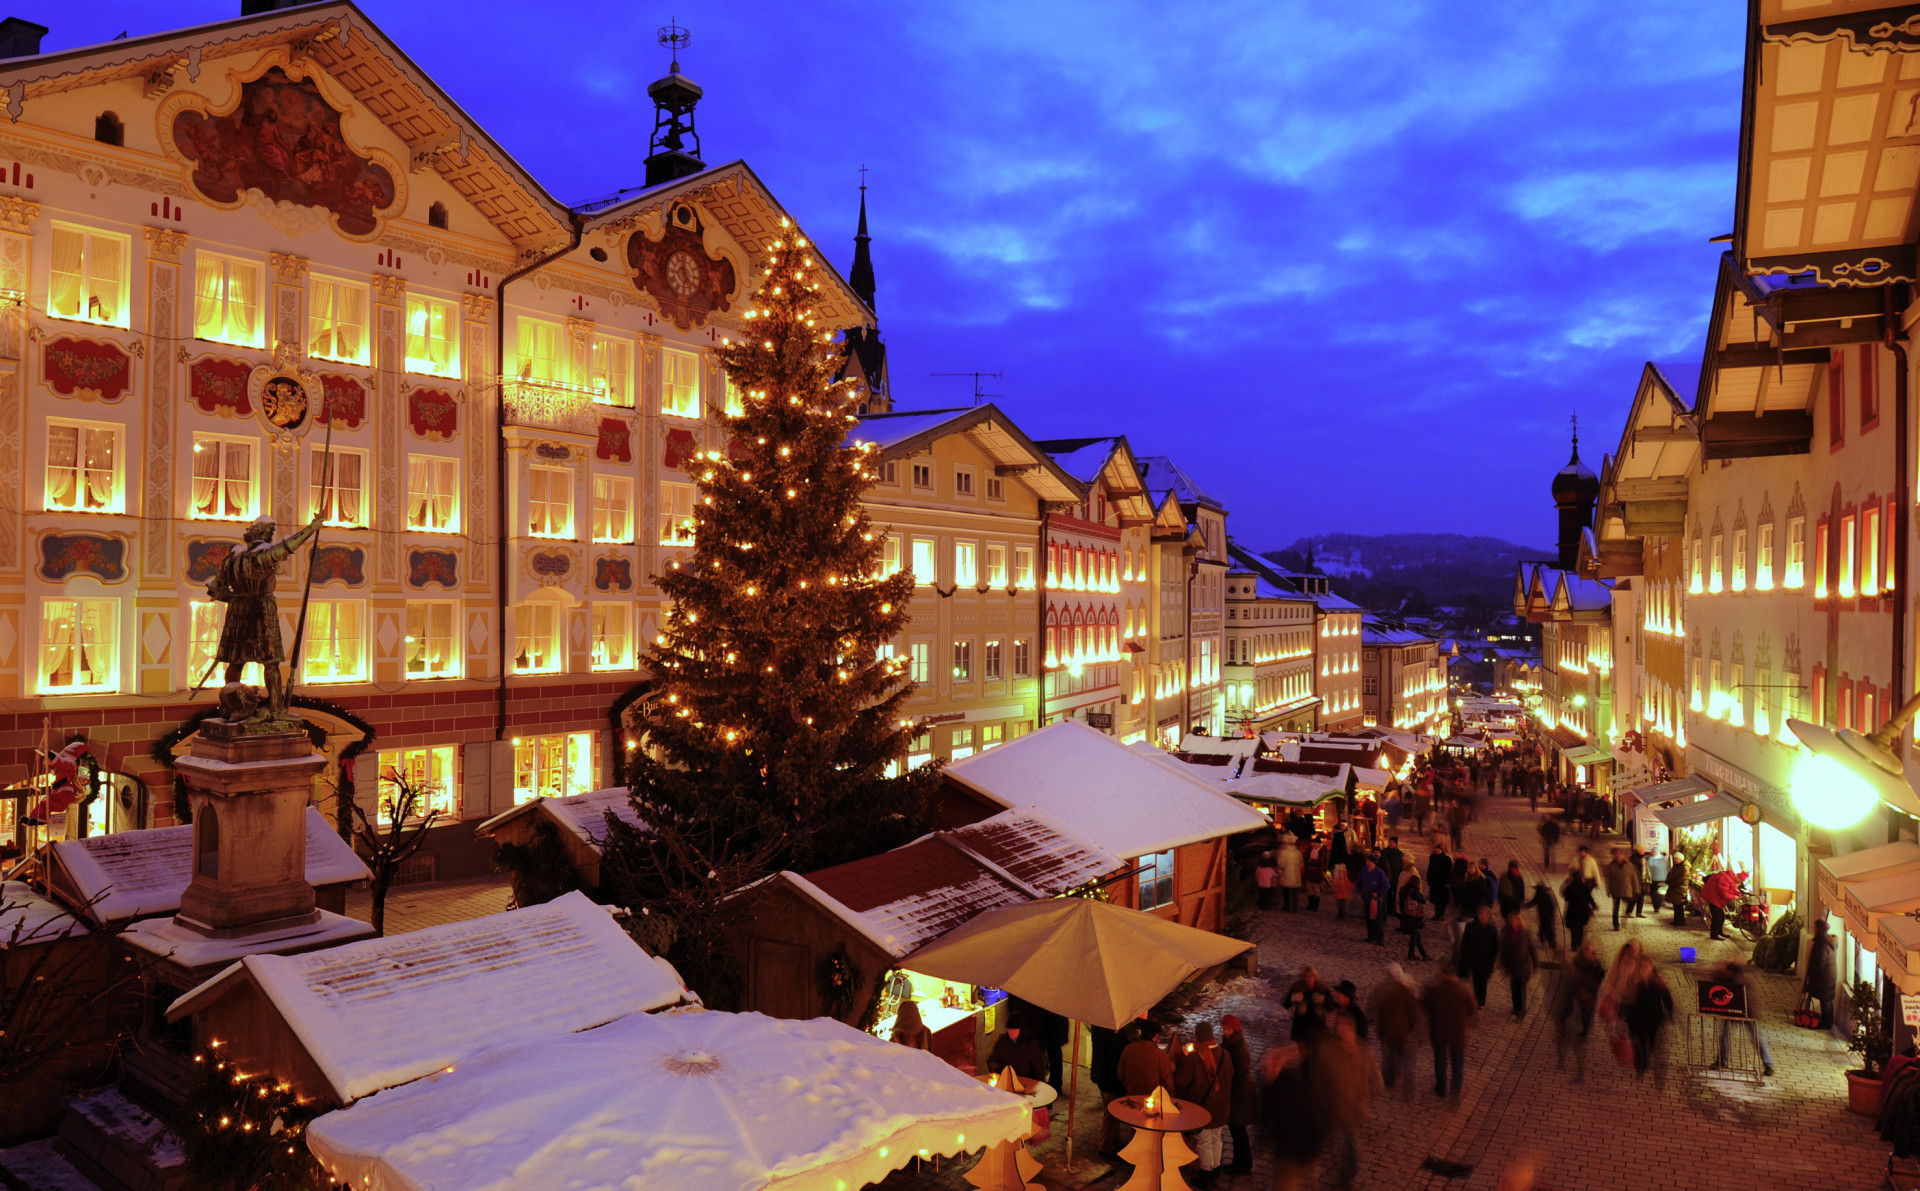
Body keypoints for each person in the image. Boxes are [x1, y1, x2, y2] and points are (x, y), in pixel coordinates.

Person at [1311, 1013, 1379, 1190]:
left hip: (1355, 1107)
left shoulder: (1363, 1050)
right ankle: (1345, 1178)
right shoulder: (1327, 1053)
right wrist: (1324, 1103)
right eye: (1342, 1031)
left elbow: (1374, 1076)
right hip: (1336, 1108)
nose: (1345, 1034)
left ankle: (1351, 1170)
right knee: (1341, 1146)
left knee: (1354, 1146)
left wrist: (1369, 1092)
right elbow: (1318, 1081)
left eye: (1348, 1031)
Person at [1174, 1022, 1233, 1188]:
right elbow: (1231, 1076)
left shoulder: (1194, 1058)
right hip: (1222, 1107)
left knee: (1204, 1142)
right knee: (1217, 1138)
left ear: (1198, 1037)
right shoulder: (1225, 1054)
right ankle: (1215, 1170)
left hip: (1203, 1109)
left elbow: (1181, 1080)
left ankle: (1206, 1176)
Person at [1260, 1040, 1324, 1191]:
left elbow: (1306, 1120)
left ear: (1277, 1067)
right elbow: (1266, 1115)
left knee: (1298, 1184)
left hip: (1299, 1149)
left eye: (1265, 1067)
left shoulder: (1291, 1089)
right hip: (1291, 1150)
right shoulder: (1269, 1086)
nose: (1261, 1070)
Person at [1550, 940, 1606, 1082]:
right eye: (1585, 948)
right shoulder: (1575, 963)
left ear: (1593, 951)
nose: (1587, 950)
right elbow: (1563, 987)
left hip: (1586, 1006)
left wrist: (1579, 977)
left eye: (1589, 948)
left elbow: (1598, 985)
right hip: (1572, 1007)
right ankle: (1563, 1061)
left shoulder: (1596, 966)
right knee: (1564, 1036)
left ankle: (1580, 1073)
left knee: (1579, 1040)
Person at [1709, 959, 1775, 1077]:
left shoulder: (1739, 980)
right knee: (1724, 1037)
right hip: (1732, 1012)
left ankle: (1768, 1064)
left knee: (1757, 1038)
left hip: (1748, 1013)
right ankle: (1721, 1061)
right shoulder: (1727, 978)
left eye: (1726, 971)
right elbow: (1715, 978)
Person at [1422, 968, 1478, 1101]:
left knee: (1440, 1059)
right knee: (1458, 1061)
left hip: (1439, 1031)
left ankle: (1441, 1088)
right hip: (1458, 1033)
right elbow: (1471, 1009)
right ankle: (1456, 1089)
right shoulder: (1463, 991)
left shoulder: (1434, 991)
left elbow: (1425, 1006)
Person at [1369, 963, 1422, 1094]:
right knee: (1402, 1055)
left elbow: (1373, 1006)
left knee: (1388, 1054)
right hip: (1403, 1029)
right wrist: (1412, 1025)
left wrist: (1375, 1022)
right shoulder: (1406, 990)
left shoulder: (1381, 989)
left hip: (1387, 1029)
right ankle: (1403, 1082)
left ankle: (1389, 1079)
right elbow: (1413, 1011)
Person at [1623, 956, 1674, 1084]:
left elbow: (1666, 996)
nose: (1644, 969)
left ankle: (1648, 1056)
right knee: (1639, 1041)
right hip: (1637, 1017)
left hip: (1653, 1017)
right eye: (1641, 966)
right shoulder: (1633, 980)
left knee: (1652, 1040)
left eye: (1646, 966)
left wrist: (1670, 1010)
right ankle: (1642, 1062)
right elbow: (1625, 998)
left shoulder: (1657, 980)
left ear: (1651, 967)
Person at [1220, 1015, 1257, 1175]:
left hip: (1239, 1095)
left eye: (1227, 1029)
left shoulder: (1239, 1048)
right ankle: (1239, 1162)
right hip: (1236, 1094)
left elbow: (1241, 1073)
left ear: (1234, 1029)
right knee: (1236, 1130)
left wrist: (1228, 1083)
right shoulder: (1230, 1042)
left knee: (1238, 1130)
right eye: (1223, 1028)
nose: (1224, 1031)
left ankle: (1244, 1164)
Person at [1091, 1022, 1132, 1159]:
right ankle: (1105, 1146)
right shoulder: (1109, 1030)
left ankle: (1116, 1141)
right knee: (1110, 1111)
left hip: (1103, 1074)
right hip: (1109, 1076)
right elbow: (1115, 1054)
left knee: (1112, 1109)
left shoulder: (1100, 1025)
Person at [1457, 904, 1500, 1008]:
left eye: (1484, 915)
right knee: (1476, 980)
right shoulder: (1471, 926)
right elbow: (1465, 942)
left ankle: (1481, 1001)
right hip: (1474, 959)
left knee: (1483, 981)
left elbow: (1496, 946)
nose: (1482, 917)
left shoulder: (1492, 930)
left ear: (1488, 916)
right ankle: (1477, 998)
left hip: (1486, 961)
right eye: (1481, 914)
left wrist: (1493, 960)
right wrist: (1464, 956)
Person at [1117, 1021, 1175, 1096]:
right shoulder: (1160, 1055)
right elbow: (1167, 1082)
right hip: (1153, 1098)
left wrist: (1129, 1086)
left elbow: (1121, 1073)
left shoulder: (1128, 1049)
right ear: (1155, 1037)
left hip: (1132, 1095)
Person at [1498, 911, 1539, 1018]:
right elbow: (1503, 950)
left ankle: (1522, 1010)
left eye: (1516, 920)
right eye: (1512, 920)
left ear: (1520, 921)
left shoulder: (1525, 933)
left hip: (1523, 966)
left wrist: (1535, 965)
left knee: (1521, 988)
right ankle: (1515, 1008)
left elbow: (1532, 950)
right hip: (1513, 967)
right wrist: (1503, 963)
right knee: (1514, 987)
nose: (1514, 922)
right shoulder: (1507, 933)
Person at [987, 1013, 1048, 1082]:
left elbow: (1039, 1070)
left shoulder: (1031, 1045)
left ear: (1021, 1029)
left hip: (1026, 1083)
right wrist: (1000, 1070)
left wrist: (1040, 1086)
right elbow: (992, 1061)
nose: (1011, 1032)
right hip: (1007, 1081)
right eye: (1009, 1029)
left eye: (1014, 1029)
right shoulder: (1002, 1042)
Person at [1805, 918, 1838, 1030]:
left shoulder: (1821, 944)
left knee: (1825, 999)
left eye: (1814, 927)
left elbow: (1819, 961)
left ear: (1818, 929)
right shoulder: (1828, 941)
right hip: (1829, 974)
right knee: (1827, 999)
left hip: (1824, 976)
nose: (1813, 929)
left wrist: (1811, 971)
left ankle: (1826, 1023)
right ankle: (1828, 1022)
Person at [1286, 967, 1333, 1043]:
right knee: (1303, 1052)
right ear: (1303, 977)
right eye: (1307, 976)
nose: (1310, 978)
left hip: (1317, 1027)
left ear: (1315, 977)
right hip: (1301, 1026)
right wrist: (1291, 999)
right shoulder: (1297, 988)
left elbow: (1331, 1008)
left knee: (1316, 1052)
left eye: (1312, 976)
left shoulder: (1322, 989)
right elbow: (1286, 1004)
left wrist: (1324, 1001)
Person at [1399, 870, 1433, 960]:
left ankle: (1424, 955)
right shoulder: (1416, 892)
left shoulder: (1404, 889)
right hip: (1415, 917)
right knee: (1415, 935)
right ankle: (1412, 954)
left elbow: (1400, 901)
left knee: (1416, 935)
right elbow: (1423, 900)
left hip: (1406, 915)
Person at [1604, 848, 1639, 930]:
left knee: (1627, 904)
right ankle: (1616, 925)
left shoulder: (1629, 865)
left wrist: (1636, 889)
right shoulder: (1611, 866)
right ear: (1613, 856)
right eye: (1615, 854)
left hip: (1626, 889)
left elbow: (1634, 878)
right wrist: (1608, 890)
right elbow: (1608, 879)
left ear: (1623, 855)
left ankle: (1625, 917)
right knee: (1615, 908)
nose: (1617, 855)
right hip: (1615, 890)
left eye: (1619, 854)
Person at [1360, 855, 1392, 945]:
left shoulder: (1379, 873)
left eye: (1369, 861)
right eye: (1367, 861)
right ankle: (1371, 936)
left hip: (1376, 900)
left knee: (1377, 919)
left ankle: (1380, 938)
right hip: (1366, 899)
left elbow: (1386, 885)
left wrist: (1378, 893)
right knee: (1368, 919)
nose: (1367, 863)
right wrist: (1360, 891)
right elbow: (1359, 880)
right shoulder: (1364, 870)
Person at [1561, 871, 1596, 950]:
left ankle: (1574, 945)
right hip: (1583, 911)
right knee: (1580, 927)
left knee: (1574, 928)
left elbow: (1566, 898)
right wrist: (1594, 906)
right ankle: (1579, 943)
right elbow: (1589, 897)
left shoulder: (1570, 887)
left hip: (1572, 910)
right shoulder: (1584, 887)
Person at [1703, 867, 1740, 940]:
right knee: (1717, 917)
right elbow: (1724, 893)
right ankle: (1714, 934)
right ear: (1737, 878)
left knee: (1721, 916)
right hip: (1714, 898)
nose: (1739, 883)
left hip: (1716, 898)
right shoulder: (1726, 878)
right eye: (1740, 881)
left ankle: (1719, 932)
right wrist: (1734, 897)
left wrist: (1738, 892)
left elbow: (1731, 887)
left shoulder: (1730, 878)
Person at [1528, 880, 1559, 951]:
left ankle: (1546, 942)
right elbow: (1553, 905)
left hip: (1544, 916)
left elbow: (1533, 902)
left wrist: (1525, 906)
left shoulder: (1539, 895)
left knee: (1545, 928)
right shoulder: (1546, 894)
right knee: (1549, 929)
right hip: (1548, 916)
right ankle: (1551, 944)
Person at [1426, 843, 1454, 922]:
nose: (1437, 850)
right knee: (1435, 900)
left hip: (1443, 883)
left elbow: (1449, 872)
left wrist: (1447, 882)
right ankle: (1437, 914)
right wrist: (1429, 879)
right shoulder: (1432, 857)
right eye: (1436, 848)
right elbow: (1430, 868)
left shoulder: (1447, 859)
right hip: (1435, 882)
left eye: (1438, 849)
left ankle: (1441, 914)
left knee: (1443, 900)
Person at [1277, 837, 1304, 912]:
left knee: (1286, 891)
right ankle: (1295, 908)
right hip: (1296, 875)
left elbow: (1281, 864)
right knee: (1295, 892)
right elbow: (1301, 864)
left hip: (1286, 874)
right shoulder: (1298, 852)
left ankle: (1287, 906)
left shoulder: (1284, 852)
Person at [1668, 851, 1691, 927]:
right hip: (1676, 889)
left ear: (1681, 859)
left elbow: (1682, 879)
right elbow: (1671, 874)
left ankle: (1681, 921)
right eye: (1675, 859)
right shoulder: (1676, 866)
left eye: (1677, 859)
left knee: (1679, 906)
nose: (1675, 860)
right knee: (1676, 905)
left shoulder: (1684, 867)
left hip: (1680, 889)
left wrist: (1672, 883)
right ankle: (1676, 920)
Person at [1647, 848, 1670, 913]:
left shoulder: (1651, 859)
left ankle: (1657, 906)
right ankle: (1658, 906)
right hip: (1662, 879)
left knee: (1654, 893)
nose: (1652, 853)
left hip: (1655, 879)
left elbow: (1649, 868)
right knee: (1659, 893)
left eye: (1653, 852)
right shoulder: (1663, 859)